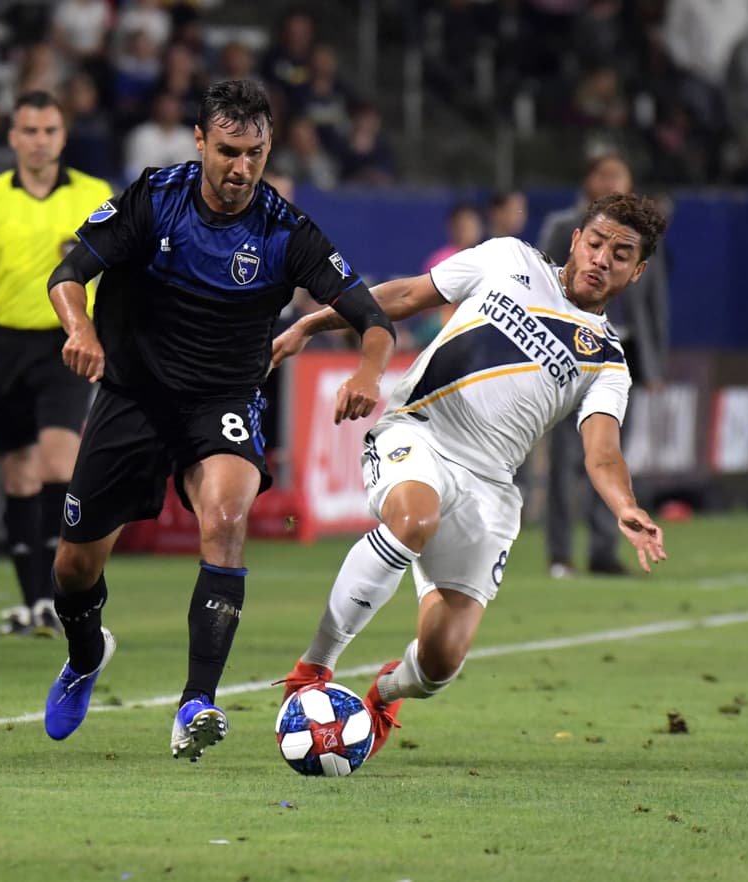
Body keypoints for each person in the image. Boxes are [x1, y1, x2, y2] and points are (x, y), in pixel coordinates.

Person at [40, 79, 396, 761]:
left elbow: (373, 318)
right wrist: (80, 330)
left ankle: (195, 703)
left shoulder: (286, 231)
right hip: (132, 394)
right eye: (229, 151)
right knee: (74, 568)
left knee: (228, 518)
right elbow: (68, 273)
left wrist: (367, 373)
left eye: (255, 154)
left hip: (222, 400)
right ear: (200, 141)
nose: (241, 167)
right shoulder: (155, 198)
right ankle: (85, 655)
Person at [272, 192, 669, 759]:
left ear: (638, 271)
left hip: (490, 487)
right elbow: (406, 295)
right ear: (577, 240)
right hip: (420, 433)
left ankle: (383, 695)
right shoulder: (509, 258)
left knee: (442, 661)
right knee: (414, 519)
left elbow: (602, 452)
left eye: (621, 254)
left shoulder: (607, 361)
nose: (603, 259)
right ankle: (314, 668)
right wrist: (315, 323)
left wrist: (625, 506)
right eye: (597, 243)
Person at [0, 90, 114, 636]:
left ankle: (62, 593)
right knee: (17, 471)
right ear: (13, 137)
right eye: (30, 131)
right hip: (5, 345)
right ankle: (34, 602)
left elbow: (119, 266)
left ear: (63, 137)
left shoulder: (93, 194)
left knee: (57, 460)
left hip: (68, 341)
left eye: (49, 131)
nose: (40, 141)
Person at [538, 153, 669, 577]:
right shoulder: (564, 227)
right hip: (568, 354)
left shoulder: (642, 239)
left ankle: (602, 550)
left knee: (611, 456)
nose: (612, 182)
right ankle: (560, 554)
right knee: (564, 460)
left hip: (622, 356)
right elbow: (544, 285)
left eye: (619, 175)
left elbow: (655, 303)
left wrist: (654, 362)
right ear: (588, 180)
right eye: (604, 174)